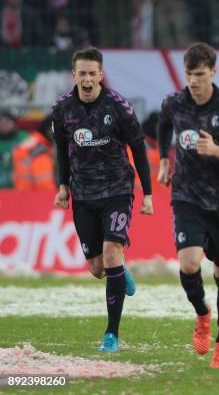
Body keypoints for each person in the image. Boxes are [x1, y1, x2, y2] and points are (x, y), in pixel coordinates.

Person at [157, 42, 219, 368]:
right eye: (189, 74)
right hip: (186, 197)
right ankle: (202, 314)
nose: (194, 81)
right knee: (188, 264)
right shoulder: (175, 102)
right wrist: (162, 159)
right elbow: (162, 124)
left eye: (200, 74)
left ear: (213, 71)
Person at [51, 47, 153, 352]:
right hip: (83, 194)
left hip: (117, 190)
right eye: (81, 73)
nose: (86, 79)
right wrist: (62, 186)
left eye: (92, 73)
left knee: (110, 255)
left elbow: (139, 149)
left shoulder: (119, 107)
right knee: (98, 268)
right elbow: (61, 150)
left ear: (100, 75)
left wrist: (147, 193)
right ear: (73, 75)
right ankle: (119, 268)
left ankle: (112, 334)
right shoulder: (61, 109)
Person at [12, 116, 56, 190]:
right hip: (35, 192)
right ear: (47, 128)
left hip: (23, 190)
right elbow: (44, 182)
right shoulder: (40, 147)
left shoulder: (36, 140)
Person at [0, 109, 28, 188]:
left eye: (7, 121)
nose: (3, 123)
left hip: (20, 188)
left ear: (14, 123)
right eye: (1, 121)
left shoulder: (24, 138)